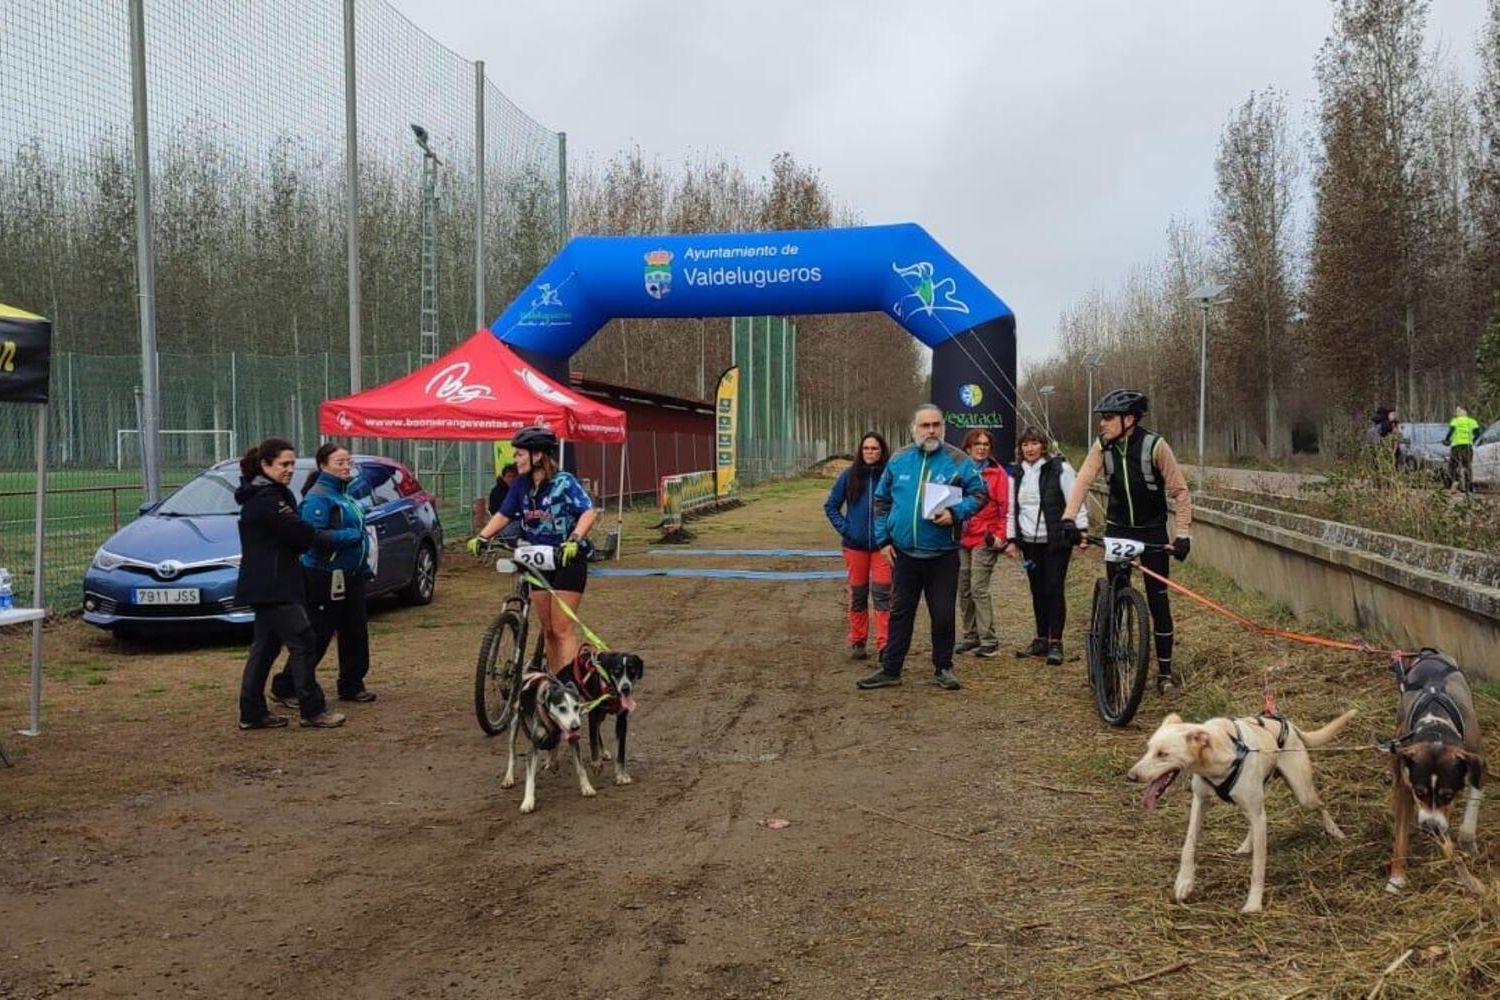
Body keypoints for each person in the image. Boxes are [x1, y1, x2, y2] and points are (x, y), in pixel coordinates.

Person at [1060, 389, 1192, 694]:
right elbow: (1082, 481)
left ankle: (1165, 673)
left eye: (1108, 418)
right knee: (1117, 590)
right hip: (1118, 529)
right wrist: (1069, 517)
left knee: (1158, 600)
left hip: (1152, 531)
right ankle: (1110, 658)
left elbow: (1180, 492)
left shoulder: (1156, 446)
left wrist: (1183, 534)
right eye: (1102, 418)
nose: (1102, 424)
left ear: (1129, 419)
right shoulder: (1102, 447)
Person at [855, 404, 988, 692]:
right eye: (925, 425)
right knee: (900, 612)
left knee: (942, 614)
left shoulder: (958, 459)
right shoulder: (900, 459)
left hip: (942, 555)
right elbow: (881, 501)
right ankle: (891, 669)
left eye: (936, 425)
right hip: (904, 554)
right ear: (913, 429)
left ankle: (943, 667)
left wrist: (956, 513)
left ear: (943, 427)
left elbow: (980, 494)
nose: (930, 430)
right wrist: (884, 540)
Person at [235, 437, 361, 730]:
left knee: (265, 648)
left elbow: (297, 532)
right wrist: (330, 538)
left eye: (292, 463)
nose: (290, 469)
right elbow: (300, 533)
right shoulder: (267, 500)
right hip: (275, 585)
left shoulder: (265, 494)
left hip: (268, 583)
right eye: (283, 464)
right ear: (265, 465)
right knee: (304, 640)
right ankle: (312, 709)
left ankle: (251, 712)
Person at [467, 425, 598, 671]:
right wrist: (482, 537)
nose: (514, 459)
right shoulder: (520, 485)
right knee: (548, 630)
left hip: (566, 559)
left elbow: (588, 512)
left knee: (561, 629)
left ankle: (568, 689)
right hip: (539, 561)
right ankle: (553, 683)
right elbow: (504, 514)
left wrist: (575, 538)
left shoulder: (564, 482)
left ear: (537, 455)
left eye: (519, 454)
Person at [269, 443, 376, 710]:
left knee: (355, 631)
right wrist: (351, 537)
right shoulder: (318, 498)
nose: (345, 466)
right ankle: (286, 685)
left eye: (347, 461)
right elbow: (313, 538)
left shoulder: (346, 495)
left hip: (351, 575)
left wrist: (361, 564)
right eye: (339, 462)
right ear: (323, 466)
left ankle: (352, 683)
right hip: (324, 576)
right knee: (318, 633)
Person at [1001, 427, 1085, 666]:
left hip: (1055, 540)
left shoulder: (1061, 469)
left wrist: (1081, 530)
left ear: (1043, 446)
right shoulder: (1015, 474)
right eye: (1025, 444)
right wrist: (1012, 539)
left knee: (1053, 588)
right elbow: (1011, 510)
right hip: (1029, 542)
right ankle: (1041, 639)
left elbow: (1075, 499)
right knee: (1037, 589)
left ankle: (1056, 642)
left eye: (1034, 443)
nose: (1029, 448)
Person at [824, 432, 892, 661]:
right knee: (859, 595)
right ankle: (858, 641)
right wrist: (846, 529)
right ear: (860, 451)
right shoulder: (848, 476)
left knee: (883, 596)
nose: (870, 452)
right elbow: (831, 506)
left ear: (882, 451)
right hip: (855, 546)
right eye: (866, 449)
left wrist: (893, 533)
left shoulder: (889, 476)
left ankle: (885, 645)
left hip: (883, 547)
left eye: (875, 449)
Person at [955, 428, 1010, 659]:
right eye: (977, 444)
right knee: (964, 589)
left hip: (984, 538)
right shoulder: (958, 472)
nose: (981, 447)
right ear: (968, 448)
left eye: (986, 444)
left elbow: (1006, 509)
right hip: (962, 537)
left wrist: (999, 536)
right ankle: (971, 635)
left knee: (978, 588)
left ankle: (989, 639)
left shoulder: (998, 475)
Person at [1444, 405, 1481, 493]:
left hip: (1456, 446)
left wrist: (1446, 440)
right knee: (1467, 465)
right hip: (1467, 446)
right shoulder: (1472, 422)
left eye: (1457, 411)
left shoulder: (1455, 421)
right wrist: (1473, 440)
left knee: (1453, 465)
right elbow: (1477, 433)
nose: (1456, 413)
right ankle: (1469, 485)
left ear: (1462, 411)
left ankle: (1455, 481)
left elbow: (1450, 432)